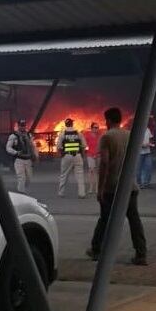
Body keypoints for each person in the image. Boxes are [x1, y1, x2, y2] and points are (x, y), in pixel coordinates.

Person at [89, 107, 147, 266]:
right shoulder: (130, 135)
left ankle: (97, 250)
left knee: (105, 219)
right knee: (134, 220)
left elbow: (104, 164)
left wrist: (100, 189)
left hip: (112, 187)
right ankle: (141, 253)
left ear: (108, 120)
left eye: (105, 120)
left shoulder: (106, 137)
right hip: (130, 185)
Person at [56, 118, 87, 198]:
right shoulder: (78, 133)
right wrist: (82, 155)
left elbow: (59, 146)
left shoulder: (62, 134)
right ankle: (82, 193)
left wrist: (60, 154)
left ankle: (61, 193)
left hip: (67, 156)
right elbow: (83, 145)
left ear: (66, 124)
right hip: (77, 155)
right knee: (80, 175)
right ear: (72, 124)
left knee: (64, 175)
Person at [5, 119, 38, 192]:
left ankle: (22, 190)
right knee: (21, 177)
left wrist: (36, 155)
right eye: (21, 125)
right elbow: (8, 147)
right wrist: (15, 152)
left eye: (24, 125)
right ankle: (21, 193)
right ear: (18, 126)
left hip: (28, 160)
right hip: (19, 159)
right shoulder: (13, 136)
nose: (22, 127)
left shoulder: (29, 135)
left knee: (29, 178)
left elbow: (33, 146)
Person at [83, 121, 102, 195]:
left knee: (97, 172)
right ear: (91, 128)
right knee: (91, 170)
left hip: (98, 155)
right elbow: (85, 145)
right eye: (95, 127)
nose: (96, 129)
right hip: (90, 155)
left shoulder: (100, 136)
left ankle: (97, 188)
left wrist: (99, 153)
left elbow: (101, 145)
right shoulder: (87, 135)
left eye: (97, 128)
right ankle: (91, 187)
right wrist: (87, 152)